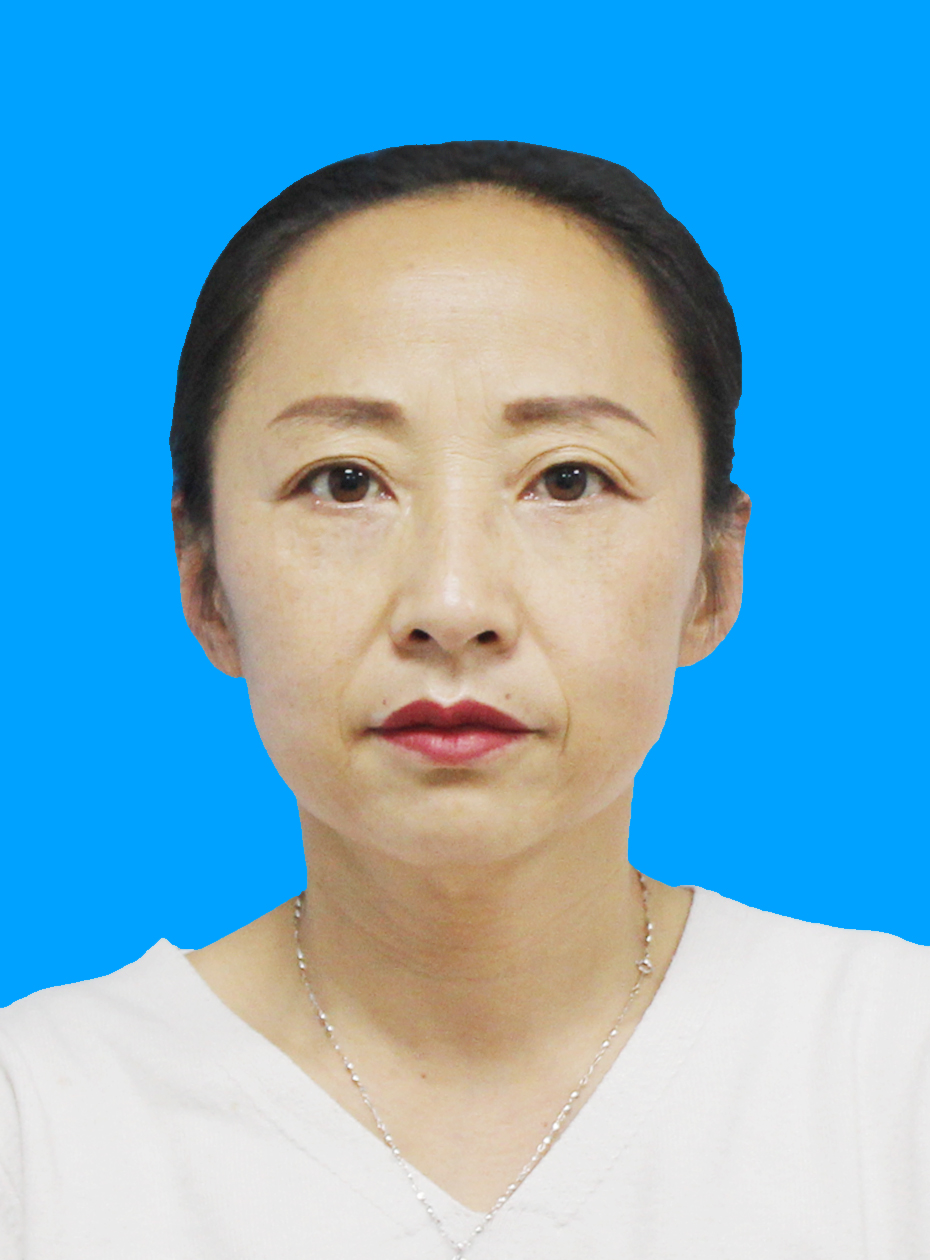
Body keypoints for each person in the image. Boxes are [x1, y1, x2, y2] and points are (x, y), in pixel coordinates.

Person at [1, 141, 927, 1259]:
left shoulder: (891, 1072)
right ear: (204, 582)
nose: (451, 604)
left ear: (713, 578)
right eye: (344, 481)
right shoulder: (39, 1124)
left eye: (568, 479)